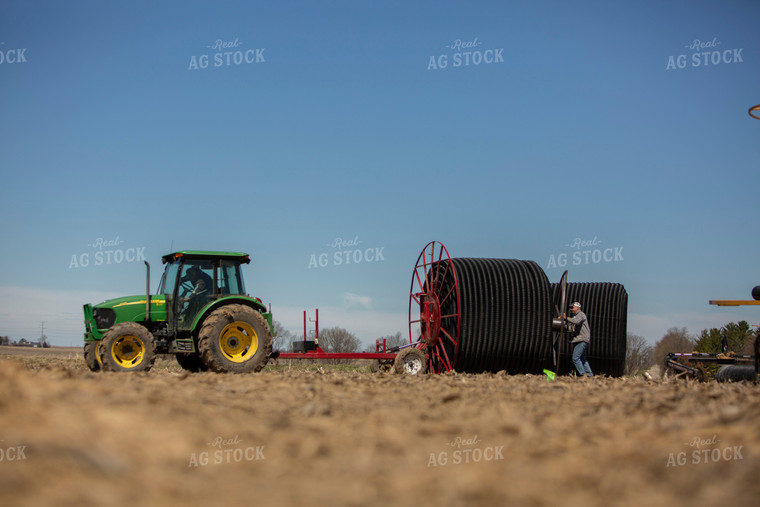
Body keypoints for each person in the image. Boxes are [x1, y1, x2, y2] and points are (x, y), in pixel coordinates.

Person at [565, 302, 593, 377]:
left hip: (582, 339)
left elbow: (576, 322)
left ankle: (583, 374)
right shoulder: (575, 317)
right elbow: (571, 327)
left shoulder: (581, 315)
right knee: (583, 359)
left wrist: (566, 318)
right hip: (580, 339)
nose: (571, 309)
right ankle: (590, 375)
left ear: (577, 308)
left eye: (572, 307)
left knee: (575, 358)